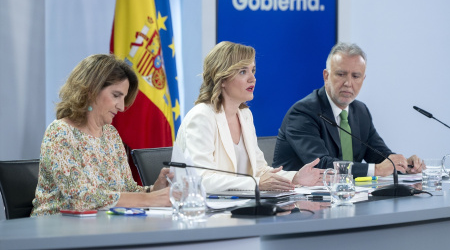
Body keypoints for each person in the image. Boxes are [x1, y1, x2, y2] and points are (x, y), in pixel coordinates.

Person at [31, 54, 171, 217]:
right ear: (91, 90)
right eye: (116, 95)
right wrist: (150, 200)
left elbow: (126, 191)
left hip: (102, 226)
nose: (121, 107)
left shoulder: (111, 135)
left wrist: (154, 190)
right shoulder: (60, 132)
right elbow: (80, 198)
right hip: (55, 230)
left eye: (124, 98)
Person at [175, 41, 323, 193]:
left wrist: (295, 177)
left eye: (253, 70)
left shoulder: (245, 115)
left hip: (239, 207)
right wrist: (256, 184)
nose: (253, 78)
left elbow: (260, 171)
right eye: (243, 72)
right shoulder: (201, 116)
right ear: (222, 78)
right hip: (204, 211)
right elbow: (200, 179)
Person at [273, 42, 424, 178]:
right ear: (326, 76)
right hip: (299, 202)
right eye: (341, 74)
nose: (348, 83)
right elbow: (321, 165)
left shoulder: (360, 111)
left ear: (363, 79)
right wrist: (377, 170)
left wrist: (403, 165)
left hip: (345, 197)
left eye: (356, 76)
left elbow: (380, 155)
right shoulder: (302, 113)